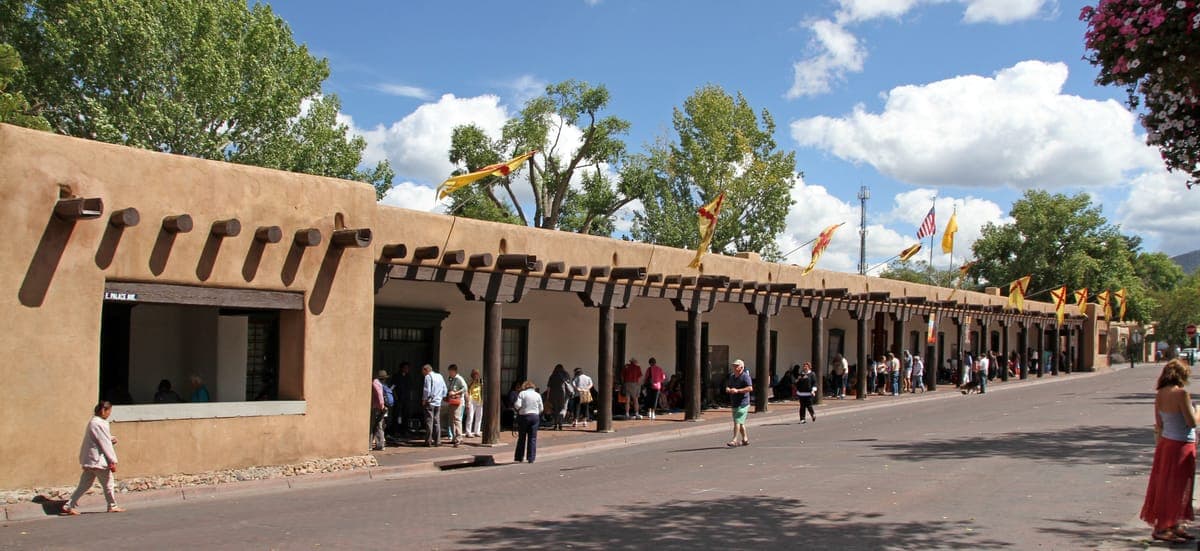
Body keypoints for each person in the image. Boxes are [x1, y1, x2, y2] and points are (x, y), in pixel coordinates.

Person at [1141, 360, 1200, 543]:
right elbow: (1192, 422)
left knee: (1167, 485)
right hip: (1182, 445)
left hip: (1166, 444)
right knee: (1180, 486)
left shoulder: (1160, 394)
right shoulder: (1182, 394)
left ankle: (1171, 524)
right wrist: (1198, 410)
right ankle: (1164, 527)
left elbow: (1159, 423)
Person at [61, 401, 124, 515]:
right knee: (108, 484)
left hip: (90, 460)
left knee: (84, 484)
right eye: (109, 411)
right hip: (98, 460)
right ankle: (112, 505)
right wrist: (113, 460)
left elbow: (101, 438)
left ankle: (69, 505)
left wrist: (110, 438)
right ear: (104, 411)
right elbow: (104, 443)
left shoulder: (93, 422)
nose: (109, 414)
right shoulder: (100, 423)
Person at [512, 381, 543, 463]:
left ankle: (519, 457)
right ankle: (531, 458)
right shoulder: (537, 395)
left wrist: (517, 409)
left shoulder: (522, 393)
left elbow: (518, 405)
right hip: (535, 416)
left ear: (525, 387)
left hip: (524, 416)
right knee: (532, 438)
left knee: (522, 438)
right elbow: (541, 408)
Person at [725, 359, 753, 447]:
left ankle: (734, 440)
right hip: (734, 402)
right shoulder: (732, 376)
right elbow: (728, 386)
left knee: (737, 421)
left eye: (736, 366)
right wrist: (728, 389)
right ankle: (745, 439)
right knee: (740, 422)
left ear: (741, 367)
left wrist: (738, 390)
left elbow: (750, 388)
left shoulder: (745, 377)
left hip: (743, 403)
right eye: (734, 365)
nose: (734, 367)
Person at [421, 364, 447, 447]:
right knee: (437, 421)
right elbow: (445, 389)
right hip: (438, 402)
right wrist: (441, 397)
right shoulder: (440, 376)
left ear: (426, 370)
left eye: (423, 371)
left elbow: (427, 390)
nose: (422, 373)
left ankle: (428, 441)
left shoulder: (428, 377)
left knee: (429, 421)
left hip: (430, 402)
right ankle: (437, 441)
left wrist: (424, 400)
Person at [445, 364, 467, 447]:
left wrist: (455, 393)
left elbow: (465, 388)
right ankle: (454, 437)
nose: (449, 373)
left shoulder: (459, 379)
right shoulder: (452, 379)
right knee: (451, 419)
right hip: (451, 401)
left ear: (454, 371)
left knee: (457, 419)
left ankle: (459, 438)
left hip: (457, 401)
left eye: (450, 371)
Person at [547, 364, 573, 430]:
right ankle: (560, 424)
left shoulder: (552, 375)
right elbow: (568, 383)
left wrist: (548, 397)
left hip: (553, 395)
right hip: (564, 395)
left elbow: (549, 387)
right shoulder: (566, 374)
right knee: (563, 409)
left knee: (555, 409)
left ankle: (555, 424)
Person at [370, 370, 388, 451]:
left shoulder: (375, 383)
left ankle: (373, 445)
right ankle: (380, 444)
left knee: (375, 426)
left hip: (377, 407)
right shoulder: (380, 384)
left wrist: (382, 405)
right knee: (379, 426)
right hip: (380, 407)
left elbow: (379, 395)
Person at [464, 369, 483, 438]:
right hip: (472, 400)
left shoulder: (480, 382)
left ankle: (477, 431)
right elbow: (467, 390)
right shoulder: (470, 382)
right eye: (475, 374)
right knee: (470, 416)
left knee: (479, 416)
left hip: (479, 400)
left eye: (477, 374)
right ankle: (468, 432)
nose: (476, 376)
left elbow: (482, 389)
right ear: (472, 375)